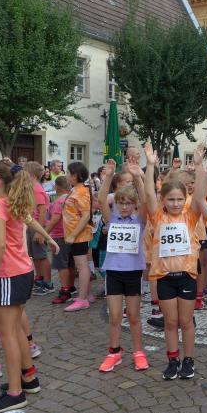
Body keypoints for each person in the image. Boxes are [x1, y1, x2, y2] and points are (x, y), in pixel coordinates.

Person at [0, 162, 58, 413]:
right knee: (17, 330)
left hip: (9, 274)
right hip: (24, 271)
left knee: (8, 334)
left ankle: (15, 392)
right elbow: (31, 222)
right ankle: (28, 378)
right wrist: (49, 238)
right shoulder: (15, 203)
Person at [144, 142, 207, 381]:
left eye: (179, 199)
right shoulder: (157, 216)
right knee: (170, 322)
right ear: (163, 200)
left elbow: (201, 194)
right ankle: (172, 360)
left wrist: (200, 166)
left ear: (185, 199)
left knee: (186, 321)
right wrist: (150, 166)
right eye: (170, 199)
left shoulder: (190, 216)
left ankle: (188, 360)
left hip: (186, 277)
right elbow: (148, 193)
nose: (175, 203)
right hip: (164, 278)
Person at [97, 159, 150, 372]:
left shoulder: (139, 220)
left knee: (134, 317)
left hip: (133, 273)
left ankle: (138, 352)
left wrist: (137, 177)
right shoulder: (112, 219)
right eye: (121, 203)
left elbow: (146, 201)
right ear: (117, 204)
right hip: (113, 272)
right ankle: (114, 352)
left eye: (129, 203)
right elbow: (101, 199)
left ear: (134, 205)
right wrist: (109, 175)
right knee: (115, 317)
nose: (125, 207)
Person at [62, 162, 93, 311]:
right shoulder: (76, 189)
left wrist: (73, 235)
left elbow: (85, 216)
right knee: (81, 265)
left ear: (74, 176)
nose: (66, 175)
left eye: (68, 173)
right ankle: (86, 294)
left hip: (79, 235)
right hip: (75, 234)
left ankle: (83, 299)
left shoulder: (80, 191)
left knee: (82, 266)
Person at [24, 162, 53, 295]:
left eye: (25, 173)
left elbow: (42, 212)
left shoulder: (37, 190)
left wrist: (40, 232)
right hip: (32, 225)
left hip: (37, 226)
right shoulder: (32, 188)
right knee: (35, 255)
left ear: (32, 176)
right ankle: (40, 278)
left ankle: (48, 282)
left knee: (42, 255)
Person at [46, 176, 76, 304]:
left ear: (57, 187)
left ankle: (65, 290)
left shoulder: (58, 202)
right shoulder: (71, 199)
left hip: (59, 236)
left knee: (62, 265)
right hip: (71, 235)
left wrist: (44, 233)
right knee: (71, 263)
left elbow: (55, 219)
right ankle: (71, 286)